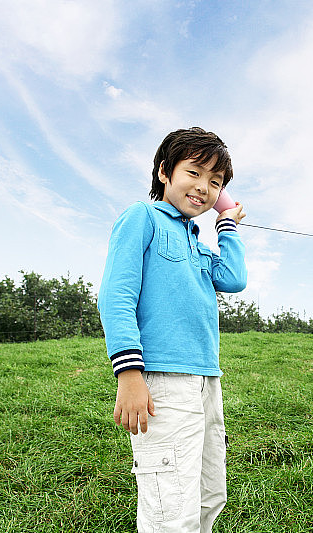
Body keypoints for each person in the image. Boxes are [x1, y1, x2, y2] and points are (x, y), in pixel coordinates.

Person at [98, 127, 248, 532]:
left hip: (205, 380)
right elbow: (115, 297)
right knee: (171, 507)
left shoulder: (198, 241)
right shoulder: (141, 217)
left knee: (209, 493)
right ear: (165, 171)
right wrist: (129, 374)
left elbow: (234, 278)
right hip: (162, 381)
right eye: (195, 173)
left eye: (215, 183)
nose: (204, 188)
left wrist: (227, 223)